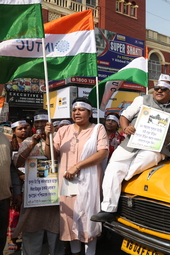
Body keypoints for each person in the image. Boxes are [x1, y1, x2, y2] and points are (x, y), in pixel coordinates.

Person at [91, 74, 170, 223]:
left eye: (164, 89)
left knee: (140, 164)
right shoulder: (141, 100)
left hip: (155, 149)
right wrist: (125, 128)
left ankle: (123, 184)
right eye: (157, 88)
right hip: (130, 143)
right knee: (114, 168)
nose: (159, 91)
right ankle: (108, 210)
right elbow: (124, 116)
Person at [45, 97, 108, 255]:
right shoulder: (63, 130)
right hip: (67, 181)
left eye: (81, 110)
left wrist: (77, 166)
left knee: (88, 215)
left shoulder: (97, 129)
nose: (77, 113)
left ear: (89, 113)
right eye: (74, 110)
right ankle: (75, 252)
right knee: (70, 216)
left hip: (89, 181)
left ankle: (90, 252)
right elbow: (50, 155)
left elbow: (103, 153)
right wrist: (48, 137)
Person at [13, 109, 64, 255]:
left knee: (55, 232)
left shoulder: (59, 139)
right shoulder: (29, 141)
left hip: (54, 196)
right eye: (38, 121)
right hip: (35, 195)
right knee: (31, 230)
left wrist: (49, 138)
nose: (41, 124)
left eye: (44, 121)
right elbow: (18, 163)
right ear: (34, 124)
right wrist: (31, 145)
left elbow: (51, 157)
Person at [8, 120, 28, 250]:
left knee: (25, 213)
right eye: (20, 128)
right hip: (16, 184)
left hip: (29, 183)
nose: (23, 131)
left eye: (25, 128)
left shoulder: (32, 143)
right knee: (14, 213)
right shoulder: (10, 145)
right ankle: (12, 238)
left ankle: (25, 237)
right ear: (14, 131)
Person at [0, 132, 21, 252]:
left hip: (3, 197)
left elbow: (10, 167)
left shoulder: (4, 138)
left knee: (1, 236)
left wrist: (17, 191)